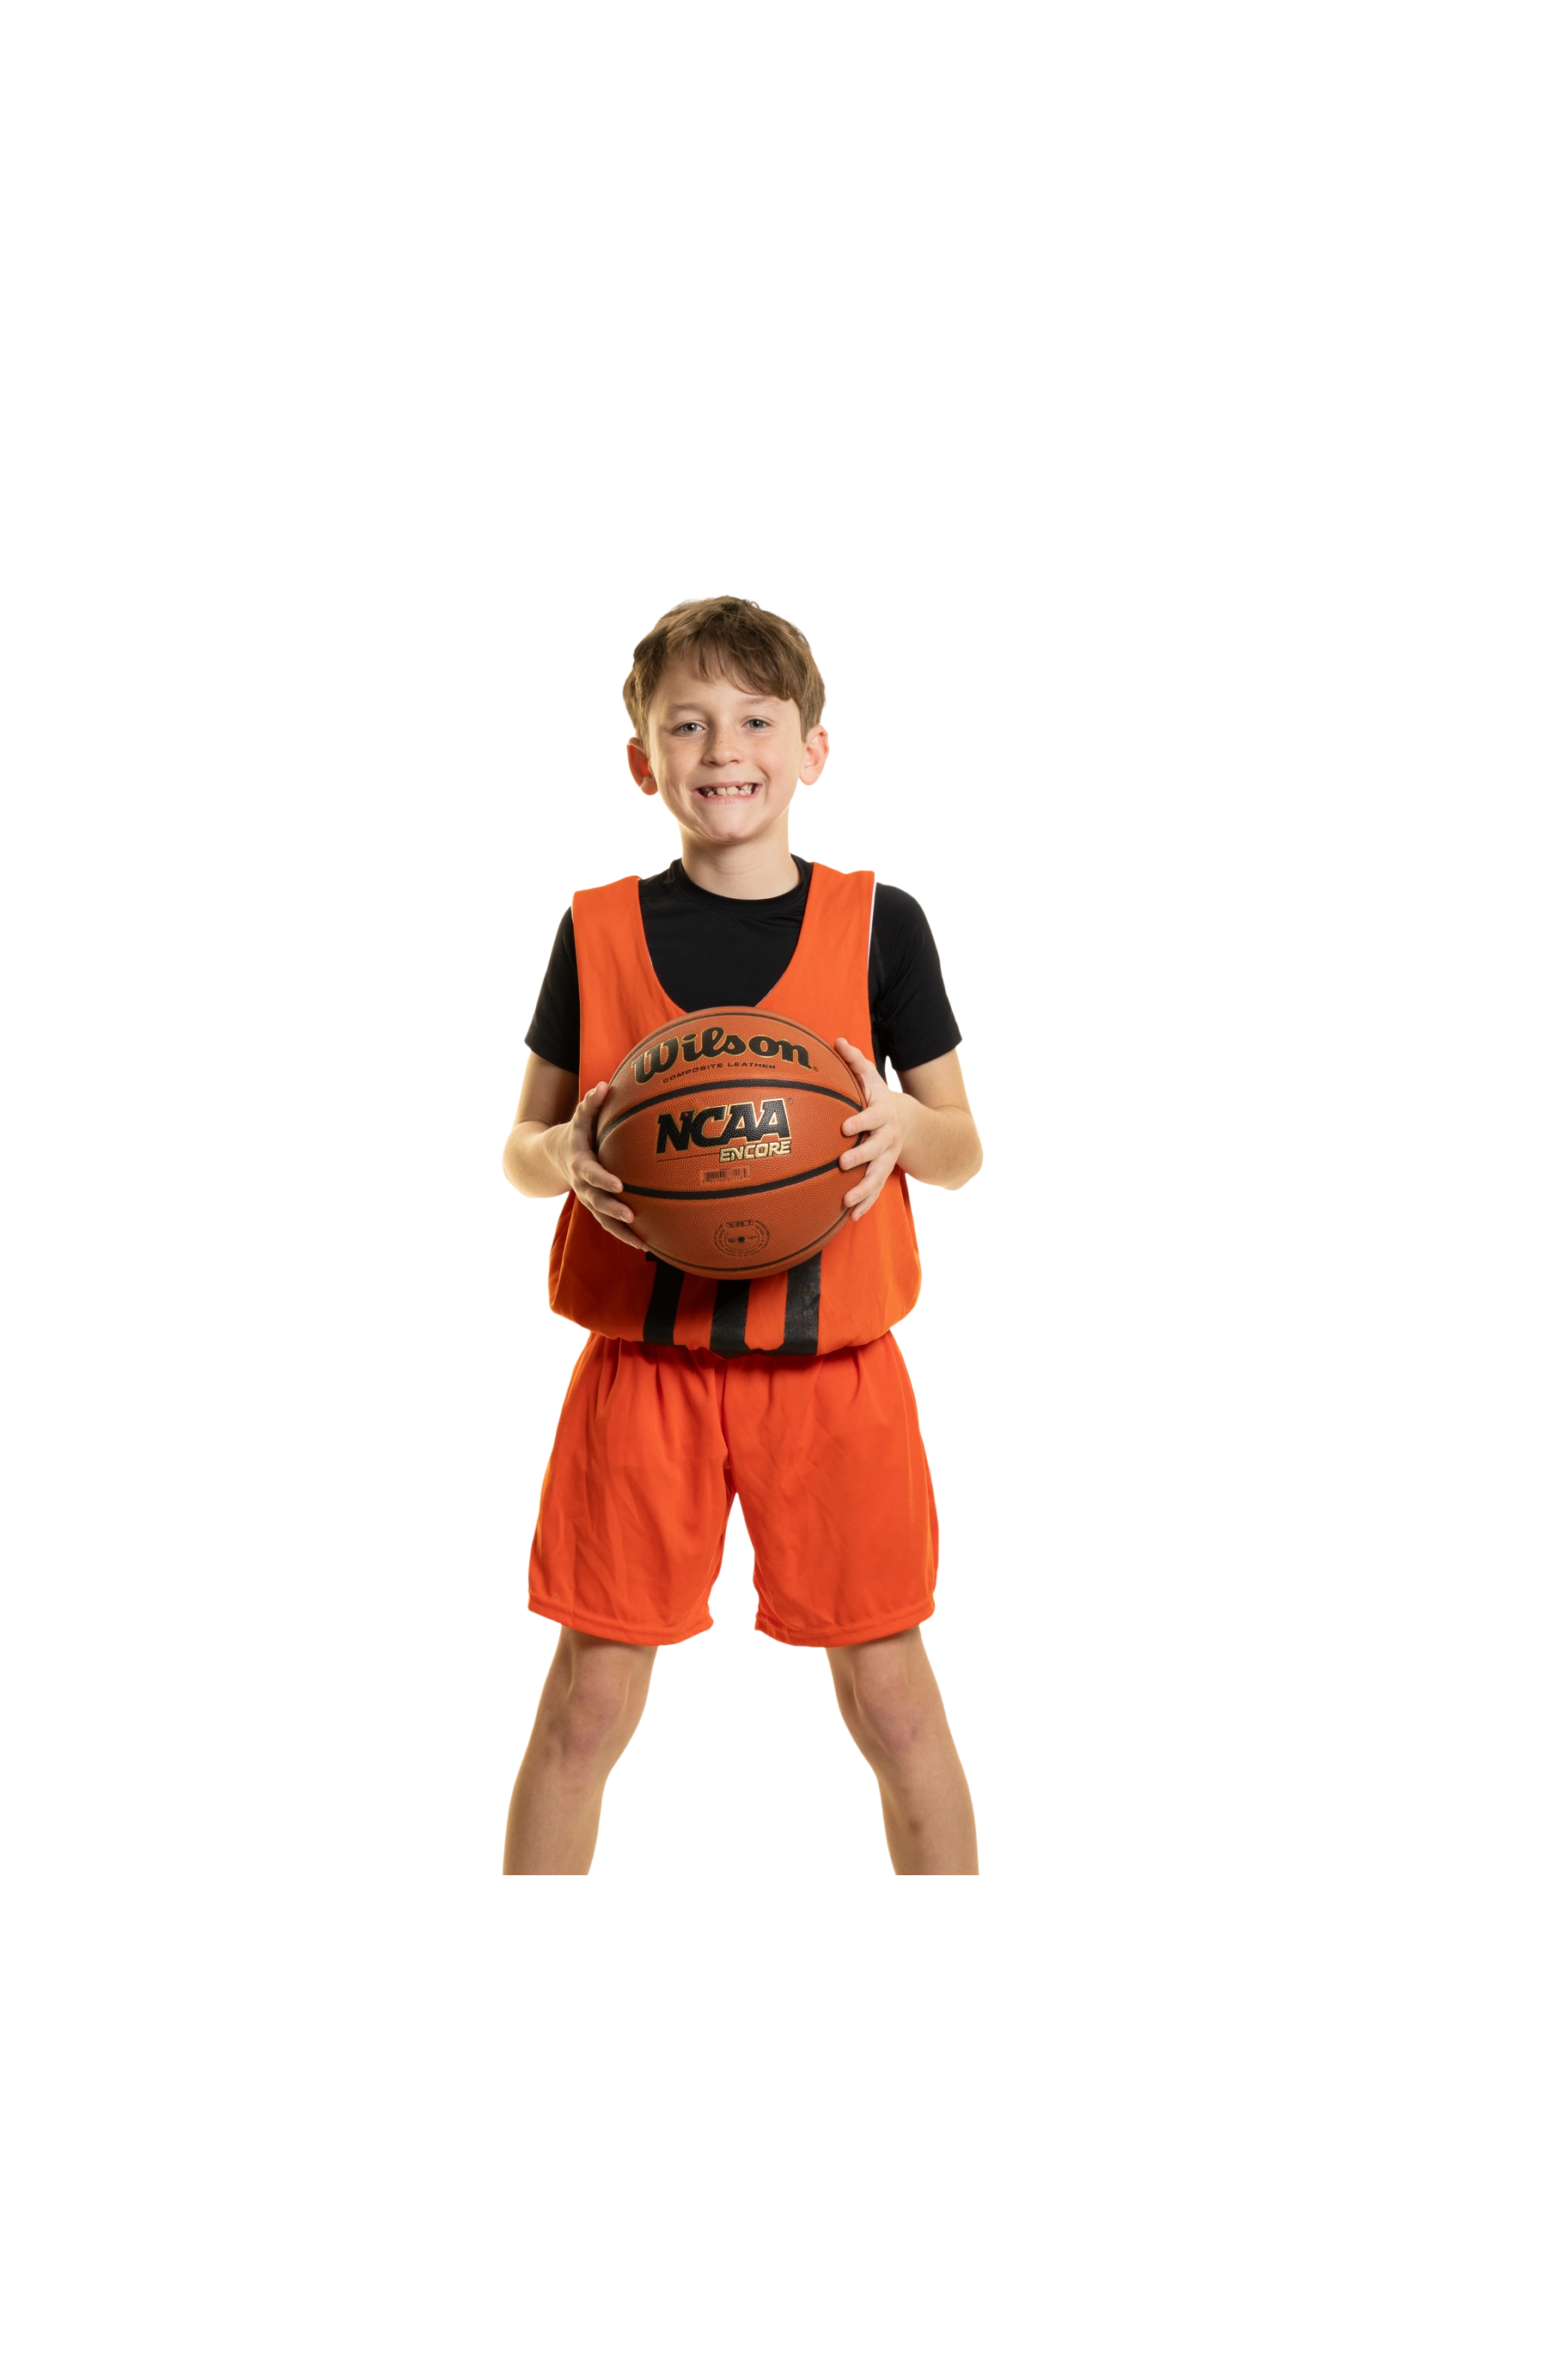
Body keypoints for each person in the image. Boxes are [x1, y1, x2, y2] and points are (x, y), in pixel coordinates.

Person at [501, 595, 983, 1874]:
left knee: (891, 1697)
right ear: (642, 760)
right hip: (644, 1371)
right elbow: (521, 1149)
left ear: (812, 749)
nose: (724, 748)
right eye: (688, 723)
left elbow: (962, 1146)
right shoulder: (595, 930)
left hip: (834, 1371)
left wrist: (899, 1127)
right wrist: (567, 1156)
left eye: (757, 720)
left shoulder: (882, 924)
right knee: (587, 1703)